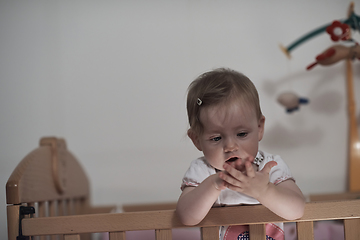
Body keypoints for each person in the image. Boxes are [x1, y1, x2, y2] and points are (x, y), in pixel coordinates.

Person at [176, 68, 305, 240]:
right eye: (216, 138)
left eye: (242, 134)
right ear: (197, 140)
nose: (230, 146)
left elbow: (297, 209)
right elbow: (186, 216)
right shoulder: (203, 170)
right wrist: (214, 184)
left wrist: (264, 191)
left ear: (259, 128)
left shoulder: (270, 166)